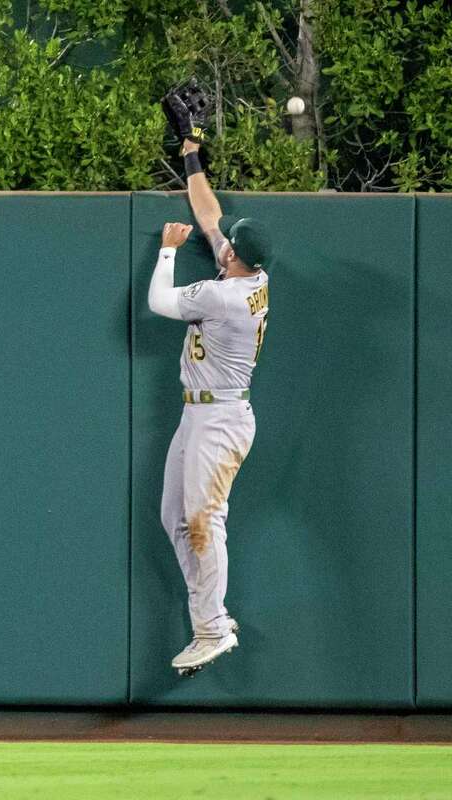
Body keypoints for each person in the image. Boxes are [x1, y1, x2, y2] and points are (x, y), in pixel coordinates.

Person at [146, 137, 272, 676]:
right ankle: (209, 616)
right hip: (202, 412)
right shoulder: (252, 277)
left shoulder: (224, 295)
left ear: (238, 259)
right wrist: (192, 155)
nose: (222, 245)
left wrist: (168, 251)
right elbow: (210, 214)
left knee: (204, 519)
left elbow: (159, 302)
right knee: (175, 516)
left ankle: (213, 626)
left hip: (219, 417)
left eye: (229, 247)